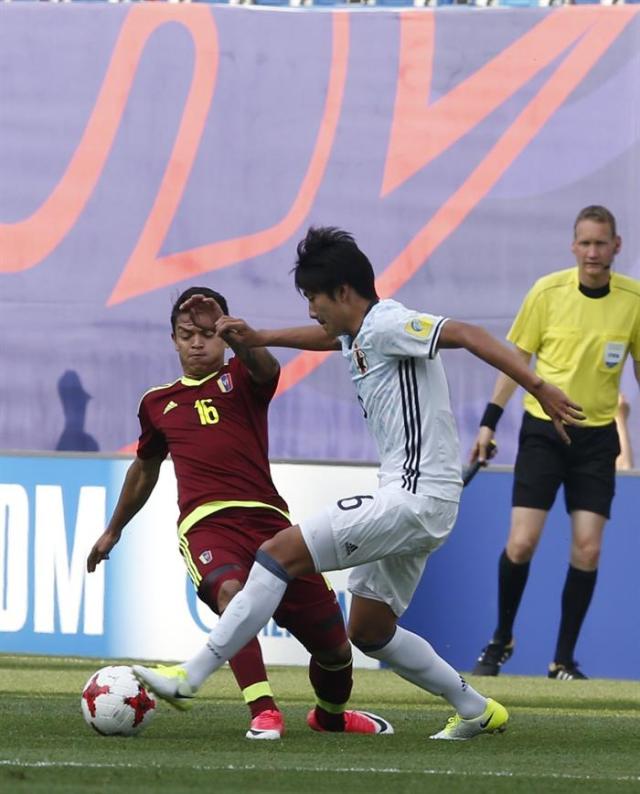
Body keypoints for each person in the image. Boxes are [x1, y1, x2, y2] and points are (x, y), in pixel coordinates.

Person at [133, 227, 582, 740]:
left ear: (343, 292)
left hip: (413, 495)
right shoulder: (360, 332)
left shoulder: (389, 322)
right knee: (368, 630)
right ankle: (476, 709)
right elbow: (330, 338)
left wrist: (540, 387)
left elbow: (465, 334)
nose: (310, 311)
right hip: (420, 501)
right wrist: (258, 337)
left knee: (276, 553)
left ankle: (191, 677)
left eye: (313, 298)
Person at [86, 286, 393, 740]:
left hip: (272, 525)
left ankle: (331, 717)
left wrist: (238, 338)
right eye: (187, 334)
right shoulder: (158, 403)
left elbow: (268, 366)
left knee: (334, 649)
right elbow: (145, 468)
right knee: (233, 594)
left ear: (224, 336)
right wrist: (114, 530)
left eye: (209, 334)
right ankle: (263, 710)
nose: (197, 342)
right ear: (173, 340)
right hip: (208, 525)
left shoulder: (243, 377)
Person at [471, 205, 640, 681]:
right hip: (544, 432)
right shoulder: (546, 292)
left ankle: (563, 660)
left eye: (601, 243)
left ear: (616, 246)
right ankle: (500, 639)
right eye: (584, 243)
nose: (592, 252)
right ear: (573, 246)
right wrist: (488, 422)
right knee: (522, 543)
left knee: (587, 550)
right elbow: (516, 362)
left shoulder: (633, 300)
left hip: (598, 438)